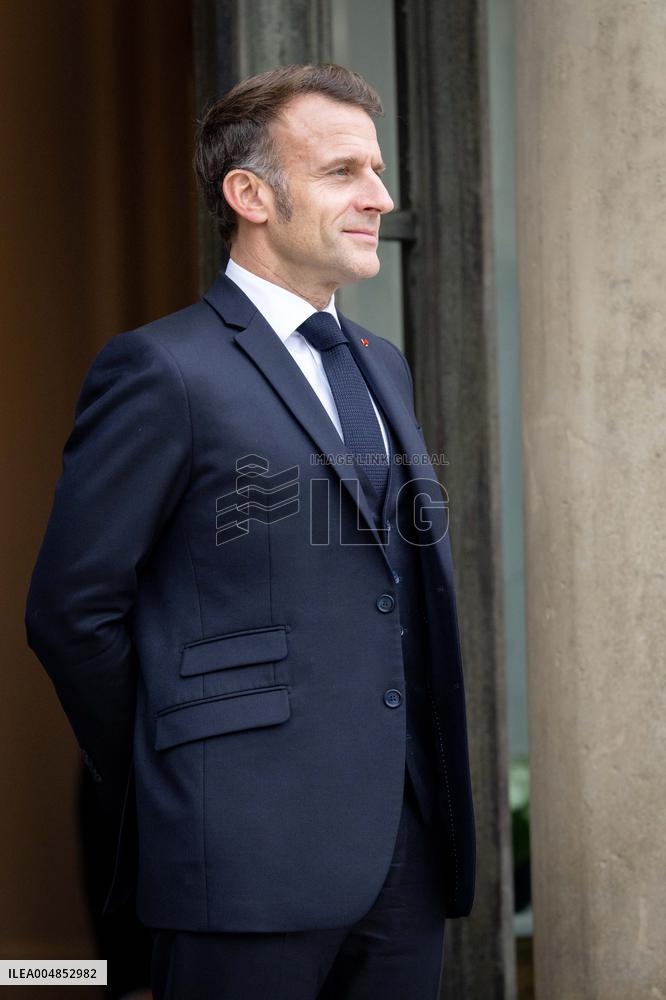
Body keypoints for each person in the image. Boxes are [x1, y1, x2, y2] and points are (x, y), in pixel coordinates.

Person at [25, 63, 475, 999]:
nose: (380, 198)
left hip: (406, 858)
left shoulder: (379, 362)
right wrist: (177, 775)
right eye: (344, 172)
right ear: (250, 195)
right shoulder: (160, 369)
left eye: (378, 170)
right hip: (241, 853)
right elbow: (73, 611)